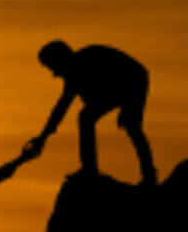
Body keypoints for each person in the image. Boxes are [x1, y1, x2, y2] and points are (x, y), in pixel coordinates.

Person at [25, 41, 158, 186]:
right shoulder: (74, 72)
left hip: (133, 80)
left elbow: (63, 106)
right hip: (119, 84)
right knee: (87, 117)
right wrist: (43, 137)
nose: (55, 74)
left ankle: (148, 176)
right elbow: (61, 108)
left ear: (61, 60)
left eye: (52, 67)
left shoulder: (85, 62)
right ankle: (90, 169)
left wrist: (128, 107)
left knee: (129, 124)